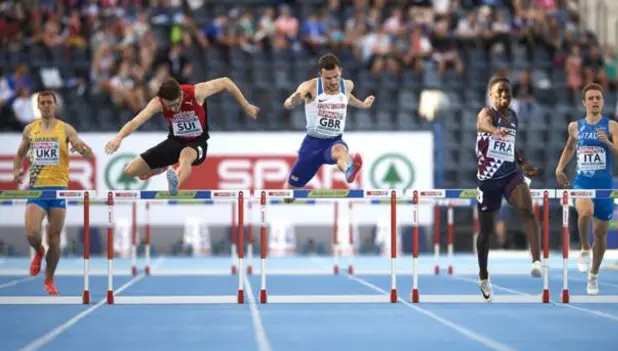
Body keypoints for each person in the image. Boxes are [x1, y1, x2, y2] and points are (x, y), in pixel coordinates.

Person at [104, 78, 259, 195]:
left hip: (197, 143)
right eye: (168, 106)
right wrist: (118, 138)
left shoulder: (197, 92)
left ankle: (175, 184)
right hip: (174, 142)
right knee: (130, 171)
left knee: (185, 156)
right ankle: (160, 167)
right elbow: (135, 121)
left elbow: (226, 82)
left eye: (175, 104)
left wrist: (246, 105)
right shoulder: (157, 103)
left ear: (181, 95)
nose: (172, 109)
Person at [12, 90, 94, 295]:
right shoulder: (30, 130)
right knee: (31, 232)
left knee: (54, 238)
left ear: (55, 106)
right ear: (38, 106)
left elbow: (87, 153)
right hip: (37, 189)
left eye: (50, 102)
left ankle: (49, 279)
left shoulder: (65, 129)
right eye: (43, 102)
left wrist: (82, 149)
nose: (46, 105)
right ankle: (39, 251)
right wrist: (16, 170)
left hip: (58, 190)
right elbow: (20, 153)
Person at [555, 82, 618, 295]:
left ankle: (593, 275)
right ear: (584, 102)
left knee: (601, 233)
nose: (595, 101)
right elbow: (569, 147)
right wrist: (560, 168)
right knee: (584, 213)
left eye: (598, 98)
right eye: (591, 98)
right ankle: (585, 249)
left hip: (604, 184)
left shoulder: (612, 126)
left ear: (603, 102)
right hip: (583, 182)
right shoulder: (575, 127)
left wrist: (608, 144)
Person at [475, 77, 542, 302]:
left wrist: (523, 165)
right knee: (486, 233)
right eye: (500, 92)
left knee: (527, 208)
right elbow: (481, 125)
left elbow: (510, 148)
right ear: (492, 96)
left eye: (508, 93)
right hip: (488, 179)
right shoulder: (486, 113)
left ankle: (536, 261)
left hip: (510, 174)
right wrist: (494, 130)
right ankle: (483, 276)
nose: (504, 96)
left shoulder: (513, 116)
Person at [283, 53, 374, 196]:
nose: (333, 81)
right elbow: (289, 102)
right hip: (312, 145)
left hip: (333, 141)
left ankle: (349, 169)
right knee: (290, 193)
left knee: (340, 152)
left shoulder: (347, 85)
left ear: (341, 71)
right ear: (320, 74)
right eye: (328, 78)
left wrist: (362, 105)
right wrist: (292, 101)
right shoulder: (311, 86)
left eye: (336, 76)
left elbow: (347, 98)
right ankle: (290, 189)